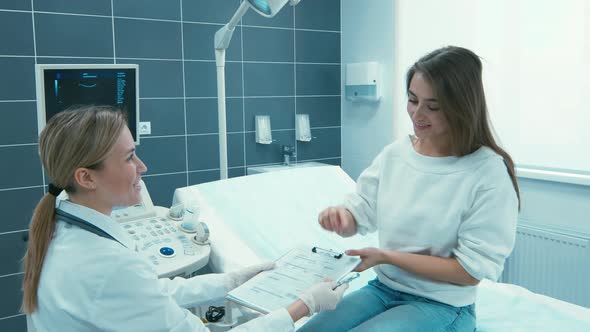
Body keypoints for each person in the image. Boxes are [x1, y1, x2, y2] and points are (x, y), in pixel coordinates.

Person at [22, 105, 347, 331]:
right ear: (86, 178)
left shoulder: (62, 230)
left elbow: (151, 293)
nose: (142, 167)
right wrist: (303, 306)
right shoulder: (105, 265)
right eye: (129, 157)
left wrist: (232, 280)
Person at [298, 46, 520, 332]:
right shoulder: (396, 155)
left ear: (462, 106)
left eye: (433, 106)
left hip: (443, 305)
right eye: (413, 100)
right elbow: (361, 211)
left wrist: (387, 257)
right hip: (382, 290)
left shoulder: (487, 172)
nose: (417, 113)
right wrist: (342, 217)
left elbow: (469, 273)